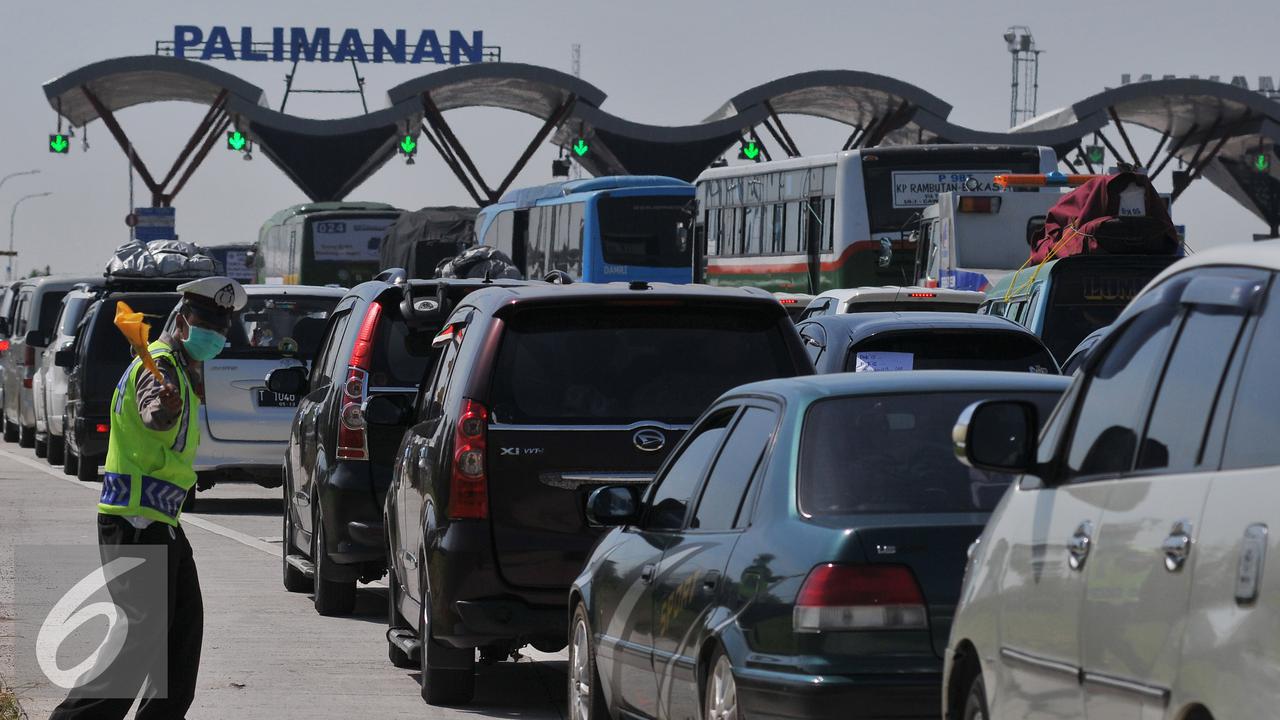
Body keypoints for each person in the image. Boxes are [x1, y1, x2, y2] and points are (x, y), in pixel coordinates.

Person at [51, 276, 246, 720]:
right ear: (181, 321)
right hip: (137, 522)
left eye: (222, 327)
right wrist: (165, 410)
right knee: (139, 643)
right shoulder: (157, 368)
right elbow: (153, 411)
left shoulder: (176, 367)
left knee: (180, 640)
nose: (216, 335)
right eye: (207, 324)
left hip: (160, 521)